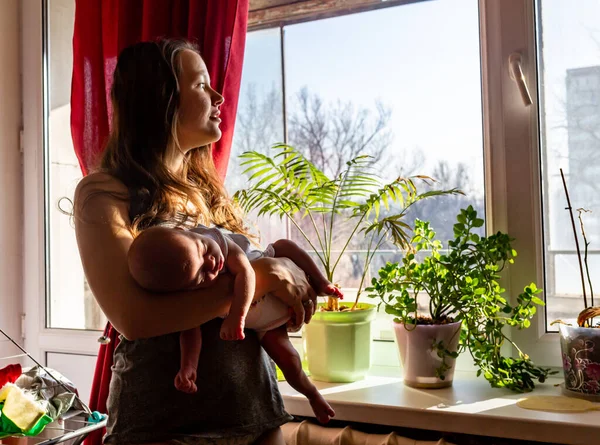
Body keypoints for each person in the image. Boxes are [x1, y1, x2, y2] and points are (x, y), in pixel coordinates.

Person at [73, 38, 320, 445]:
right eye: (202, 85)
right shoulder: (105, 192)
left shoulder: (206, 191)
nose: (219, 96)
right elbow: (133, 318)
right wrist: (260, 276)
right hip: (162, 425)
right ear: (162, 98)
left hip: (254, 411)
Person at [127, 224, 341, 423]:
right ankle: (312, 395)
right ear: (185, 290)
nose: (211, 262)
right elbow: (189, 330)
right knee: (290, 361)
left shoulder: (216, 239)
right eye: (201, 274)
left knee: (284, 246)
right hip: (266, 323)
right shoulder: (187, 292)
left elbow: (246, 272)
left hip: (270, 277)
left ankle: (322, 283)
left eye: (202, 250)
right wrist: (188, 366)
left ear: (191, 233)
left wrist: (237, 317)